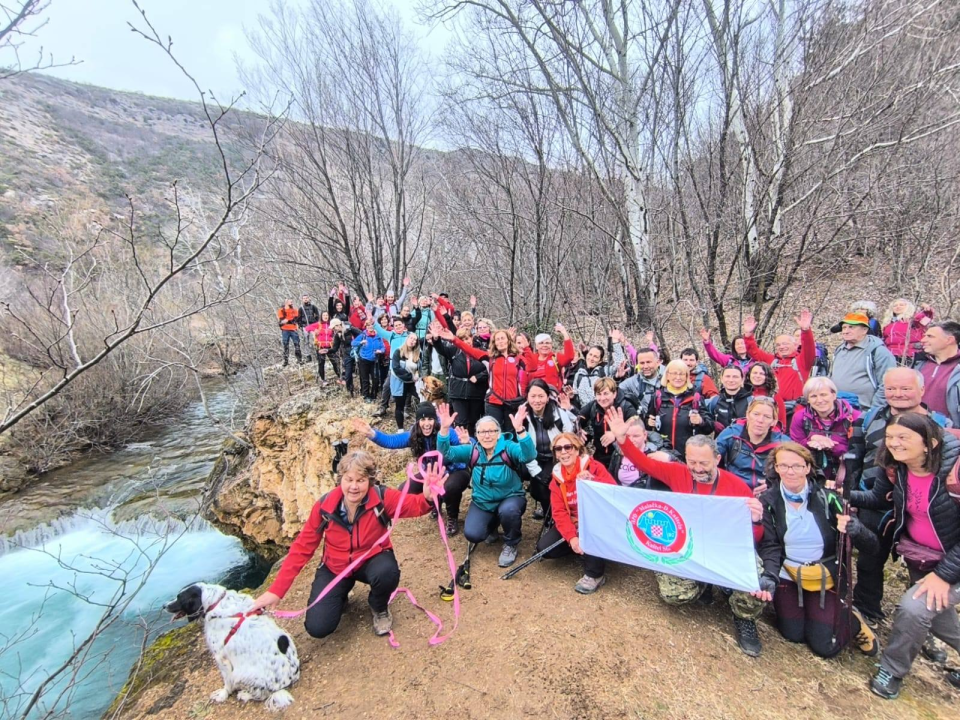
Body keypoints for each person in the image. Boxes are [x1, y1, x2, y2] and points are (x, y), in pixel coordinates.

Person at [605, 408, 767, 656]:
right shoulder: (678, 472)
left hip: (724, 548)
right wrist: (622, 439)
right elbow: (643, 463)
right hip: (688, 547)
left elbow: (752, 539)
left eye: (704, 463)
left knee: (754, 577)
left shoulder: (737, 487)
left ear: (717, 460)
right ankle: (703, 583)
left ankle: (743, 616)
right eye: (692, 462)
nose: (698, 469)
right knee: (672, 594)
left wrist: (756, 522)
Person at [248, 451, 438, 638]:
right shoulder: (324, 506)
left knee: (387, 572)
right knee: (318, 627)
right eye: (349, 479)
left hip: (371, 559)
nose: (354, 487)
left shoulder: (381, 497)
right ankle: (340, 596)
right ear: (340, 480)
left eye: (361, 480)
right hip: (335, 567)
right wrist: (276, 591)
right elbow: (301, 548)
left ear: (370, 481)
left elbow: (413, 505)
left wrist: (428, 497)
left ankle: (379, 607)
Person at [850, 413, 960, 699]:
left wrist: (944, 575)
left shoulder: (954, 473)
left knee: (913, 609)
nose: (894, 444)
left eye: (903, 438)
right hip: (922, 557)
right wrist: (840, 494)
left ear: (929, 444)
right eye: (890, 438)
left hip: (950, 564)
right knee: (938, 621)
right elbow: (877, 499)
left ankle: (892, 670)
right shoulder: (897, 469)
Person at [849, 367, 958, 630]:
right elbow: (860, 456)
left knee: (924, 578)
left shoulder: (940, 428)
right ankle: (867, 611)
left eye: (905, 388)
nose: (897, 394)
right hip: (884, 499)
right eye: (891, 389)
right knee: (869, 559)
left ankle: (924, 629)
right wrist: (844, 492)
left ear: (922, 391)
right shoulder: (874, 417)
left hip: (932, 516)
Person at [755, 442, 879, 658]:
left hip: (825, 574)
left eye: (796, 466)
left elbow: (872, 546)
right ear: (775, 468)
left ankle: (854, 623)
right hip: (789, 574)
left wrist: (856, 529)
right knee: (793, 634)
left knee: (824, 646)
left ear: (807, 468)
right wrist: (770, 575)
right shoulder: (768, 501)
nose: (789, 471)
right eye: (783, 466)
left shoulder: (828, 498)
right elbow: (770, 545)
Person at [437, 404, 536, 568]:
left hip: (510, 498)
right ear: (477, 435)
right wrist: (444, 429)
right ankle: (493, 525)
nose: (487, 435)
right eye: (483, 432)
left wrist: (520, 431)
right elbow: (446, 453)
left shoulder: (508, 448)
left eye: (491, 431)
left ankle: (511, 543)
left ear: (498, 434)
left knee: (508, 510)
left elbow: (529, 455)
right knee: (473, 534)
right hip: (483, 502)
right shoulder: (472, 451)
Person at [352, 404, 471, 536]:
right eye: (423, 420)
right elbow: (391, 441)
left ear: (435, 421)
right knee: (404, 489)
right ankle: (434, 503)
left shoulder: (447, 431)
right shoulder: (414, 434)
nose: (426, 423)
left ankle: (452, 517)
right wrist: (371, 433)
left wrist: (467, 442)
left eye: (430, 419)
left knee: (450, 487)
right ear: (418, 421)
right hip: (431, 473)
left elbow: (470, 445)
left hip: (456, 471)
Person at [535, 432, 617, 594]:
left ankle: (595, 574)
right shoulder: (556, 479)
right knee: (545, 548)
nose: (564, 452)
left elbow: (613, 492)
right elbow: (559, 513)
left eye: (568, 447)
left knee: (592, 533)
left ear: (578, 449)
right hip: (575, 522)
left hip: (598, 521)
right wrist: (572, 538)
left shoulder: (594, 467)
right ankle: (582, 549)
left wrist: (593, 480)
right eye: (558, 449)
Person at [438, 326, 526, 429]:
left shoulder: (518, 359)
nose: (500, 341)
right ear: (494, 343)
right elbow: (469, 349)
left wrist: (527, 348)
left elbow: (532, 368)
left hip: (512, 403)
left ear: (509, 340)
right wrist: (454, 339)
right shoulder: (489, 358)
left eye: (503, 338)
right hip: (494, 402)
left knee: (511, 433)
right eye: (497, 339)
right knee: (495, 431)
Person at [520, 379, 577, 518]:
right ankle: (549, 514)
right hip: (535, 457)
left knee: (548, 484)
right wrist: (536, 472)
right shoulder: (523, 417)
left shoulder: (559, 414)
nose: (537, 400)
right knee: (538, 487)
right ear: (527, 397)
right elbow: (524, 450)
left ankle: (554, 516)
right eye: (533, 396)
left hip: (557, 458)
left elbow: (570, 441)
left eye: (541, 396)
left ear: (547, 397)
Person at [789, 377, 859, 481]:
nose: (819, 400)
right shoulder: (799, 418)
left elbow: (858, 452)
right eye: (813, 396)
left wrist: (831, 446)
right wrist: (811, 441)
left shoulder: (854, 417)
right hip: (811, 473)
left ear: (834, 395)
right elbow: (795, 448)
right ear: (808, 399)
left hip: (846, 474)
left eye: (823, 395)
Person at [642, 359, 713, 459]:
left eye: (682, 374)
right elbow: (646, 426)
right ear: (667, 376)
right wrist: (648, 423)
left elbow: (709, 427)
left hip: (688, 454)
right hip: (663, 453)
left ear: (687, 377)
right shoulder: (657, 396)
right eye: (674, 373)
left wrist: (701, 421)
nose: (678, 377)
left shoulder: (695, 397)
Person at [716, 397, 789, 494]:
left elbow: (799, 471)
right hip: (734, 491)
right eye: (756, 414)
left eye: (767, 417)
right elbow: (709, 458)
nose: (760, 420)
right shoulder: (731, 434)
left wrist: (776, 483)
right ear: (747, 415)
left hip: (767, 494)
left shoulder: (783, 443)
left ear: (773, 422)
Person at [742, 309, 816, 402]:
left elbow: (809, 348)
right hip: (774, 405)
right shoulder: (772, 360)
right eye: (778, 345)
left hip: (796, 406)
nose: (782, 347)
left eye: (785, 344)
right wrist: (748, 335)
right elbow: (754, 352)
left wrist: (805, 331)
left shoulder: (801, 361)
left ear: (795, 344)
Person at [430, 322, 488, 435]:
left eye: (468, 338)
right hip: (458, 392)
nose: (466, 341)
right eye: (463, 339)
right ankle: (460, 445)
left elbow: (490, 368)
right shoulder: (454, 351)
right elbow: (441, 349)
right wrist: (436, 339)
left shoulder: (480, 352)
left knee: (474, 422)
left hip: (476, 392)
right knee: (460, 422)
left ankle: (472, 444)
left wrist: (479, 377)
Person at [831, 312, 896, 410]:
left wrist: (874, 410)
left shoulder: (877, 351)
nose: (845, 331)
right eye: (844, 328)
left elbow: (888, 383)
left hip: (863, 411)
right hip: (837, 409)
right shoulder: (839, 350)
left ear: (864, 330)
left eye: (851, 327)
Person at [578, 377, 638, 468]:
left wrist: (616, 434)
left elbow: (637, 426)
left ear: (614, 394)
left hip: (621, 456)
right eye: (599, 394)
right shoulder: (594, 405)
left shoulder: (626, 406)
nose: (602, 398)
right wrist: (578, 429)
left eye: (606, 394)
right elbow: (579, 417)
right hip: (599, 455)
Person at [606, 420, 676, 490]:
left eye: (636, 436)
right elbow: (610, 478)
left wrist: (669, 458)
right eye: (627, 436)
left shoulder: (655, 452)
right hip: (622, 495)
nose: (631, 439)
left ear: (645, 435)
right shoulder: (618, 453)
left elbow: (680, 464)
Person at [916, 321, 960, 427]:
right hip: (917, 429)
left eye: (930, 336)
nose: (923, 340)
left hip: (950, 435)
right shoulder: (919, 363)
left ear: (949, 340)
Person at [570, 332, 627, 407]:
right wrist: (572, 397)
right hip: (586, 414)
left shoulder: (604, 371)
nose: (591, 358)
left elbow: (620, 363)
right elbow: (577, 398)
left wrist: (615, 343)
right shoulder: (579, 374)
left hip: (603, 411)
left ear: (600, 360)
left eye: (595, 357)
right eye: (590, 355)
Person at [372, 316, 411, 418]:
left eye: (399, 325)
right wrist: (372, 320)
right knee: (386, 386)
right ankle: (383, 407)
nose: (398, 327)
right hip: (393, 367)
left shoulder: (409, 336)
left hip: (406, 366)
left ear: (404, 326)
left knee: (406, 388)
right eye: (396, 325)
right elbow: (379, 330)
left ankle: (405, 408)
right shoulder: (391, 336)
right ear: (393, 327)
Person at [882, 299, 934, 364]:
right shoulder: (888, 323)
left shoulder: (914, 320)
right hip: (891, 354)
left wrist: (927, 311)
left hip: (910, 354)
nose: (898, 307)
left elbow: (927, 320)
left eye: (901, 305)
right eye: (895, 306)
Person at [526, 324, 575, 390]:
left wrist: (564, 333)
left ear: (551, 345)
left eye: (547, 343)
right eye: (541, 343)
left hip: (552, 394)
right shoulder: (531, 359)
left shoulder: (555, 358)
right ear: (536, 346)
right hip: (535, 394)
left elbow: (569, 356)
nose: (545, 345)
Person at [706, 365, 753, 432]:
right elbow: (706, 430)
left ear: (742, 379)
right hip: (720, 441)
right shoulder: (715, 401)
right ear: (722, 379)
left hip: (745, 441)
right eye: (727, 376)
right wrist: (709, 423)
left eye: (735, 377)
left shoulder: (752, 401)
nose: (731, 380)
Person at [390, 334, 421, 429]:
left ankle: (419, 425)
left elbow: (421, 367)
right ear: (407, 339)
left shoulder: (418, 353)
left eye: (415, 339)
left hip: (413, 383)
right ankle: (400, 429)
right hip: (400, 383)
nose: (412, 341)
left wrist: (418, 374)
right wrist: (410, 376)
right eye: (411, 338)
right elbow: (396, 368)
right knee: (400, 406)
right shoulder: (398, 352)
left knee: (422, 399)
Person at [620, 346, 663, 413]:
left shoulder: (669, 378)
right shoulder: (632, 382)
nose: (645, 366)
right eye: (642, 363)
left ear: (658, 362)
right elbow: (613, 393)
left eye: (648, 362)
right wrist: (617, 378)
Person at [746, 361, 787, 428]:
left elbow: (781, 424)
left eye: (762, 374)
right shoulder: (743, 393)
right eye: (755, 373)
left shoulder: (774, 396)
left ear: (767, 377)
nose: (757, 376)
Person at [353, 320, 387, 401]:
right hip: (364, 360)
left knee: (375, 379)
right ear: (366, 327)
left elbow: (383, 347)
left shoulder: (378, 336)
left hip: (374, 360)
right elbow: (353, 343)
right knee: (365, 379)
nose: (370, 328)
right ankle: (366, 396)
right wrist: (361, 342)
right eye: (368, 326)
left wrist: (380, 351)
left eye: (372, 326)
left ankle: (374, 395)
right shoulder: (363, 335)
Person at [312, 311, 338, 385]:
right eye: (324, 315)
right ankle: (323, 380)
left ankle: (340, 376)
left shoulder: (331, 325)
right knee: (321, 363)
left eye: (327, 315)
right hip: (320, 347)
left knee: (335, 362)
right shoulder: (318, 324)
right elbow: (308, 328)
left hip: (330, 346)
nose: (325, 316)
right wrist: (314, 332)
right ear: (321, 316)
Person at [277, 299, 302, 366]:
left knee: (297, 345)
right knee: (285, 345)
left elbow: (296, 319)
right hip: (285, 329)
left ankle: (299, 360)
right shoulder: (281, 310)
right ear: (286, 302)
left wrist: (288, 320)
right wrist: (290, 320)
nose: (291, 302)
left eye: (291, 301)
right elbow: (282, 320)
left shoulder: (294, 310)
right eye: (290, 301)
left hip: (293, 329)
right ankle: (286, 361)